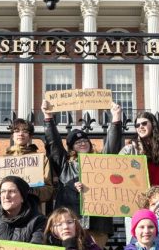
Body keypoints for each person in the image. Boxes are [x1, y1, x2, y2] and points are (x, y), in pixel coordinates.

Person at [42, 99, 123, 242]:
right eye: (77, 142)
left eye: (85, 141)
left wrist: (116, 118)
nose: (82, 143)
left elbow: (112, 146)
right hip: (72, 222)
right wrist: (48, 118)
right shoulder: (65, 166)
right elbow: (54, 144)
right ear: (71, 148)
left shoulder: (101, 162)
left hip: (98, 224)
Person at [0, 176, 46, 243]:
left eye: (12, 191)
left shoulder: (38, 222)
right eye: (3, 191)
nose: (6, 196)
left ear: (22, 198)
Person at [1, 118, 53, 204]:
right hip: (8, 210)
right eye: (17, 131)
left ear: (30, 136)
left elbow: (48, 191)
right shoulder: (2, 161)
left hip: (32, 209)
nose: (20, 134)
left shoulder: (41, 159)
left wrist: (31, 191)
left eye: (25, 131)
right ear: (12, 136)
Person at [120, 111, 159, 186]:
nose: (140, 127)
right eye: (137, 125)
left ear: (153, 125)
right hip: (139, 195)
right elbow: (119, 171)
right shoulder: (129, 150)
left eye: (144, 123)